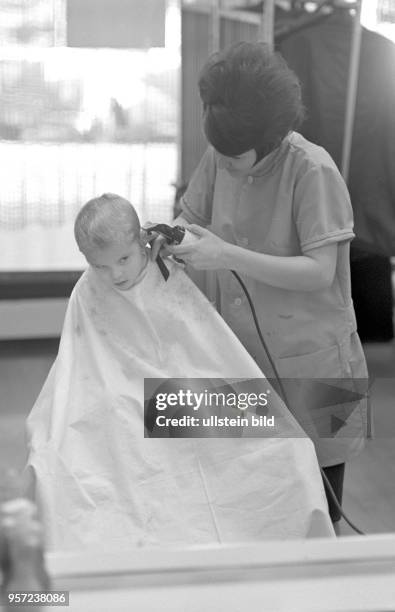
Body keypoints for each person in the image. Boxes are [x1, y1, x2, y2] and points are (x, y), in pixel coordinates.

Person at [24, 193, 335, 552]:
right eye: (101, 266)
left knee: (286, 451)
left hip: (185, 393)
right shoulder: (87, 291)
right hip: (115, 400)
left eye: (124, 259)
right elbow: (80, 365)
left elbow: (205, 348)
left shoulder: (169, 273)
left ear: (141, 239)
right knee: (66, 459)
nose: (116, 274)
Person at [154, 42, 369, 522]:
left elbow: (320, 272)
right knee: (251, 498)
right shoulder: (221, 153)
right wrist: (168, 237)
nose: (223, 164)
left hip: (316, 361)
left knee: (316, 505)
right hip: (239, 355)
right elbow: (191, 216)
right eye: (219, 152)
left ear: (272, 138)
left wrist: (225, 254)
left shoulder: (312, 171)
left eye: (235, 157)